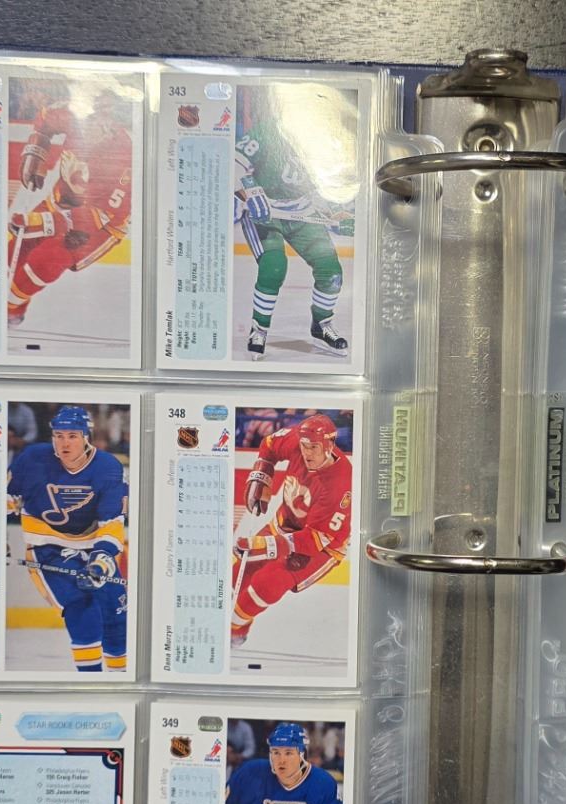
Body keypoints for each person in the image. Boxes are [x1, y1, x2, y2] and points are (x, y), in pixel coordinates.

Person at [6, 406, 129, 672]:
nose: (64, 443)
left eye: (72, 436)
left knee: (116, 613)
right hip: (48, 549)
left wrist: (102, 560)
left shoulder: (107, 467)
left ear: (86, 437)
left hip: (93, 547)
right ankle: (91, 684)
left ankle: (119, 680)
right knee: (82, 608)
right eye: (59, 435)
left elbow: (112, 521)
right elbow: (2, 499)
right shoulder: (32, 459)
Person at [235, 89, 351, 359]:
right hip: (267, 213)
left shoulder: (328, 140)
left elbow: (329, 187)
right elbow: (234, 162)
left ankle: (321, 324)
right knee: (274, 266)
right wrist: (250, 192)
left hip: (302, 212)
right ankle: (259, 329)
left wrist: (339, 212)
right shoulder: (268, 132)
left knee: (331, 270)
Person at [6, 89, 134, 327]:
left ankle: (11, 309)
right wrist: (37, 151)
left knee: (46, 260)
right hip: (61, 200)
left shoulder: (123, 158)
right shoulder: (74, 116)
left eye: (105, 119)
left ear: (115, 124)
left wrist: (37, 222)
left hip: (100, 225)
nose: (95, 123)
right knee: (14, 250)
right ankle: (5, 300)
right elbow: (46, 120)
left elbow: (91, 221)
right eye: (94, 115)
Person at [231, 413, 353, 648]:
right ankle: (234, 625)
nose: (307, 453)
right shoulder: (297, 440)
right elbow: (269, 445)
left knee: (267, 583)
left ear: (329, 444)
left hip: (322, 546)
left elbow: (313, 540)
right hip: (284, 524)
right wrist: (262, 475)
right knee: (239, 574)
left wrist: (261, 545)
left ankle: (232, 630)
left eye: (314, 447)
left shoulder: (341, 483)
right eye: (305, 446)